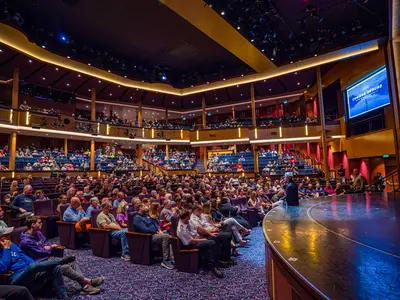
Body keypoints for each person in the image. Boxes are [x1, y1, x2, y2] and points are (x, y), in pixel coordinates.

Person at [19, 216, 103, 295]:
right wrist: (48, 248)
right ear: (33, 225)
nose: (42, 224)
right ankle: (89, 282)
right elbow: (42, 252)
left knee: (71, 262)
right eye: (39, 222)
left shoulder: (38, 233)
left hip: (48, 260)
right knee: (65, 267)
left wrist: (48, 247)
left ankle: (85, 285)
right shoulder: (26, 242)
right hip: (38, 266)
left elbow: (47, 244)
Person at [0, 227, 69, 299]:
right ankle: (59, 261)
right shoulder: (6, 248)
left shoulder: (12, 245)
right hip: (15, 277)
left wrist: (35, 268)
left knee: (55, 268)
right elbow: (3, 269)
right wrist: (6, 249)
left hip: (29, 271)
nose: (9, 236)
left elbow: (24, 256)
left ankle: (63, 297)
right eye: (7, 235)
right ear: (1, 238)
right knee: (32, 267)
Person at [177, 210, 224, 278]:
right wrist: (204, 239)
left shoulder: (187, 221)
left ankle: (215, 261)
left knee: (214, 237)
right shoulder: (181, 229)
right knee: (211, 243)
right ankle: (213, 267)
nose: (190, 217)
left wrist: (210, 233)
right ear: (187, 217)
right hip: (191, 245)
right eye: (189, 216)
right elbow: (192, 241)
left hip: (197, 238)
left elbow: (198, 228)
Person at [132, 203, 174, 270]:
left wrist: (159, 230)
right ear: (140, 208)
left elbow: (155, 223)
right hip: (148, 237)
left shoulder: (146, 215)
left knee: (170, 235)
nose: (146, 207)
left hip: (155, 233)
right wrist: (156, 231)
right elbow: (145, 230)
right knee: (166, 237)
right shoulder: (137, 218)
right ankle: (165, 261)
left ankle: (173, 259)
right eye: (144, 206)